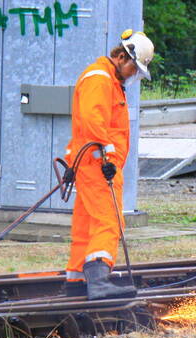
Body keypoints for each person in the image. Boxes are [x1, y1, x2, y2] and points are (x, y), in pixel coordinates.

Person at [63, 30, 154, 300]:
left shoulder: (107, 80)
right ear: (120, 56)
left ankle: (77, 280)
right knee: (108, 220)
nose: (132, 74)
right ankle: (100, 279)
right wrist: (105, 158)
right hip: (98, 164)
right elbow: (94, 122)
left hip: (91, 162)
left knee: (87, 222)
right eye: (132, 67)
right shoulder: (100, 79)